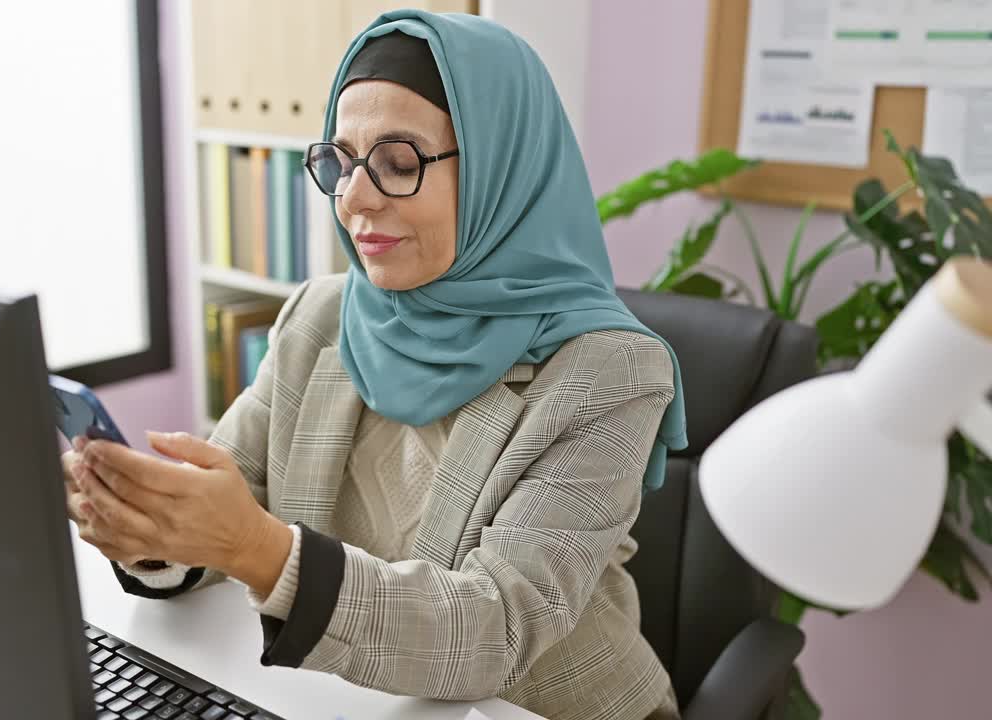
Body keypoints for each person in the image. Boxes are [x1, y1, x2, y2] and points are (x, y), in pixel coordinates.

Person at [63, 9, 687, 720]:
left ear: (498, 168)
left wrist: (258, 549)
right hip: (342, 699)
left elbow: (495, 630)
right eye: (340, 161)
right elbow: (232, 489)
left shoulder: (612, 371)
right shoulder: (321, 315)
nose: (353, 198)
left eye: (398, 162)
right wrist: (153, 532)